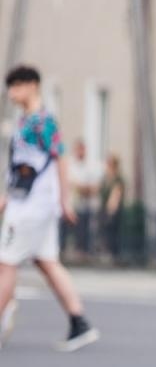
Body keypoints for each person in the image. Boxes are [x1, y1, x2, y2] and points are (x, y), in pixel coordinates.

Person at [0, 65, 98, 351]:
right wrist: (8, 196)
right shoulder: (25, 121)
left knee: (5, 263)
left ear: (32, 85)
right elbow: (24, 168)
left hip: (32, 208)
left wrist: (64, 200)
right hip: (29, 203)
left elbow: (60, 158)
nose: (11, 92)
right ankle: (79, 322)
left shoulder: (43, 121)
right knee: (47, 262)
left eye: (16, 85)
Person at [65, 138, 100, 255]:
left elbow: (94, 186)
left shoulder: (90, 165)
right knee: (71, 229)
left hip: (87, 204)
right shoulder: (70, 165)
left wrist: (83, 187)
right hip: (73, 204)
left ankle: (84, 251)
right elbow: (72, 183)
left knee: (85, 229)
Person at [99, 153, 125, 262]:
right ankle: (108, 252)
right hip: (105, 210)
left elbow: (116, 195)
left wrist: (111, 210)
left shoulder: (117, 179)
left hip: (113, 211)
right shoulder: (106, 179)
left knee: (112, 233)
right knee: (105, 232)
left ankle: (114, 254)